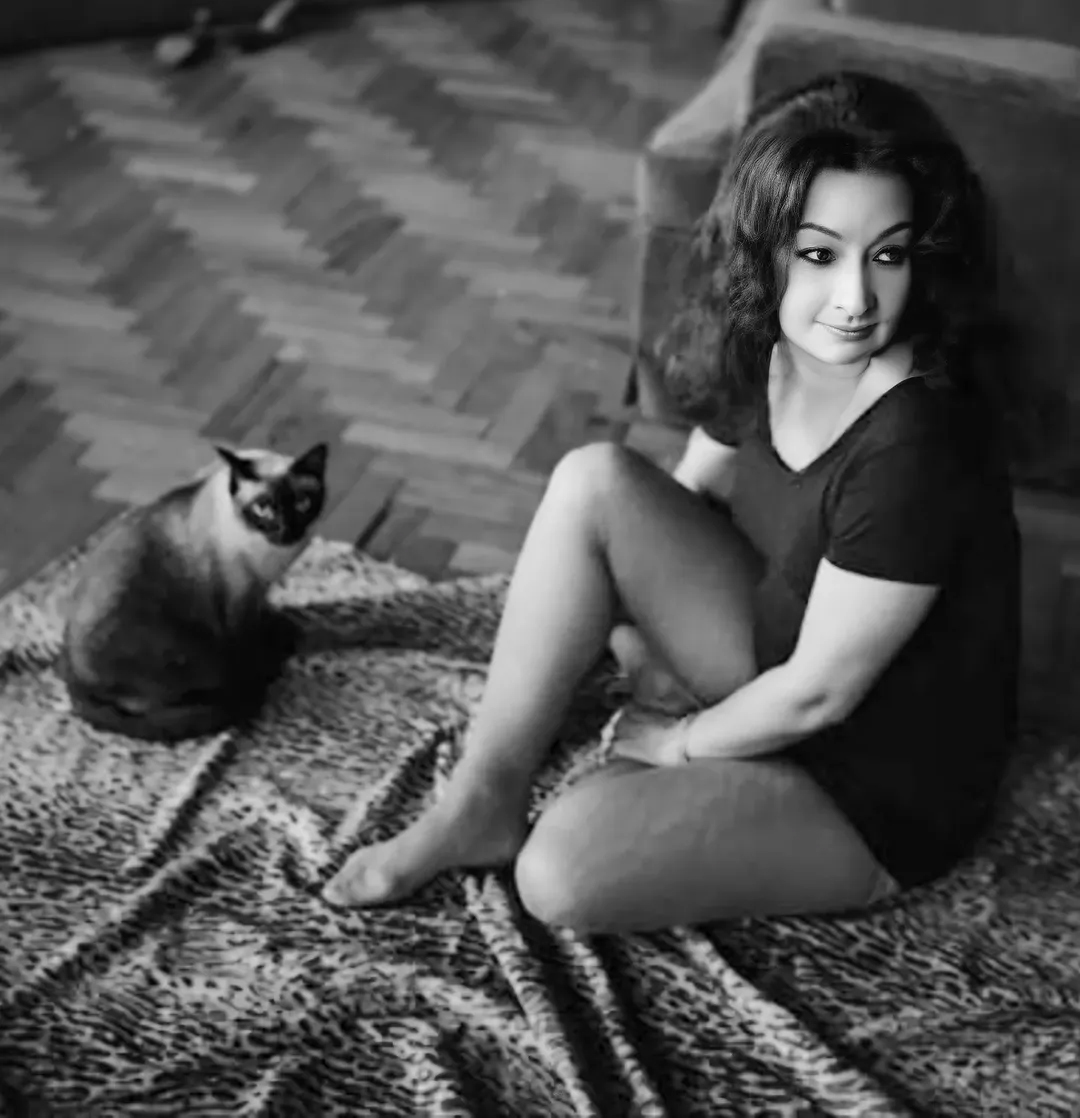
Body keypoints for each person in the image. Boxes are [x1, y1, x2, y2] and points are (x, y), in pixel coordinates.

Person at [324, 71, 1030, 934]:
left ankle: (686, 774)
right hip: (774, 646)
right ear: (764, 250)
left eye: (888, 254)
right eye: (819, 255)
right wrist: (633, 620)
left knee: (562, 875)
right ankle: (481, 800)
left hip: (871, 777)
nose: (855, 299)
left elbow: (819, 696)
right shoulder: (774, 339)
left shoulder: (919, 442)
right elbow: (684, 496)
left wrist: (679, 743)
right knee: (594, 480)